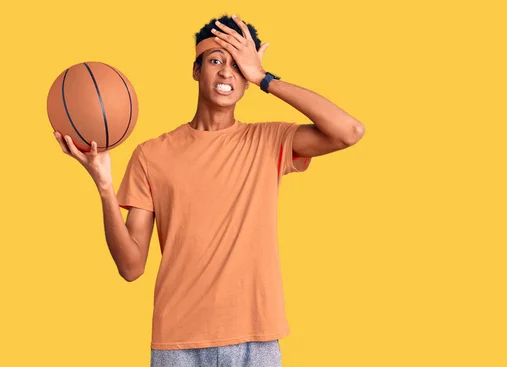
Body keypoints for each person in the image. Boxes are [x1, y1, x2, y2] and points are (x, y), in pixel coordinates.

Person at [54, 14, 365, 367]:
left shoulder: (268, 141)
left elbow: (349, 131)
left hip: (255, 340)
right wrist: (105, 187)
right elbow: (130, 267)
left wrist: (265, 78)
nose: (227, 73)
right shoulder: (152, 155)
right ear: (196, 69)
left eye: (238, 65)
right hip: (177, 345)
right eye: (216, 60)